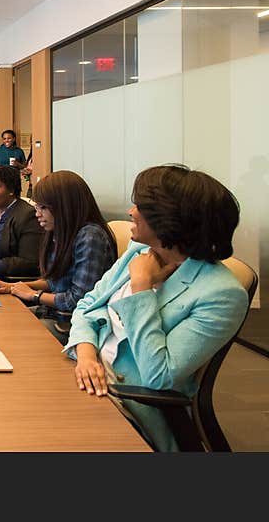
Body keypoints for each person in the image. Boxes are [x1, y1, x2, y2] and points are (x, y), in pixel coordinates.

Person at [65, 165, 248, 451]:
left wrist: (141, 287)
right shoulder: (139, 252)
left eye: (141, 206)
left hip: (126, 402)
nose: (131, 212)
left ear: (171, 220)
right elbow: (87, 307)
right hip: (87, 373)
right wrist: (86, 357)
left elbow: (159, 375)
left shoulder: (222, 294)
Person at [0, 170, 117, 342]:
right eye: (37, 207)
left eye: (43, 208)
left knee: (6, 333)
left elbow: (79, 299)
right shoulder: (60, 231)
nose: (37, 214)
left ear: (65, 206)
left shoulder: (90, 236)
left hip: (74, 325)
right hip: (54, 314)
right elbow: (56, 281)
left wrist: (33, 295)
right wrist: (11, 286)